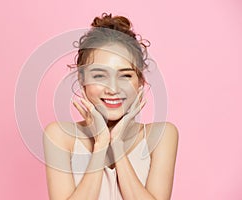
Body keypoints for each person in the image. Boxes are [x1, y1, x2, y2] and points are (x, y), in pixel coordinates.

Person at [43, 13, 179, 200]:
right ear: (82, 79)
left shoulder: (161, 135)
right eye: (99, 76)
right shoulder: (60, 136)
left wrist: (117, 145)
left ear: (140, 80)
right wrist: (101, 145)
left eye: (125, 75)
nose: (113, 89)